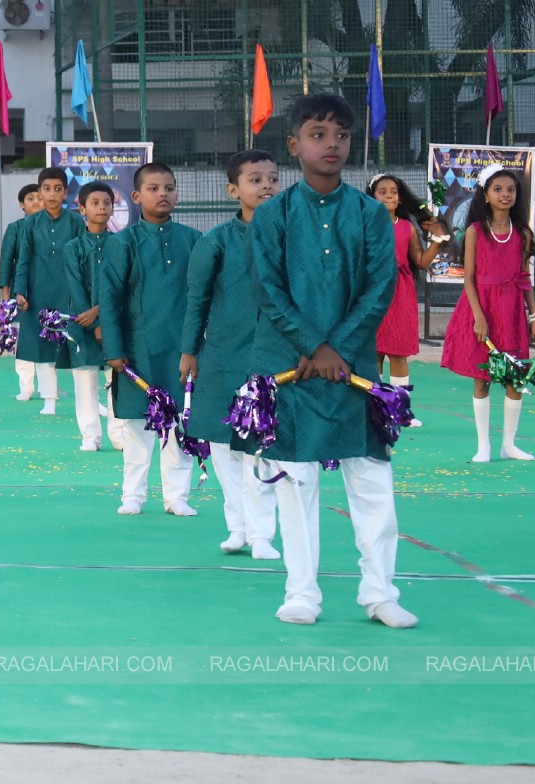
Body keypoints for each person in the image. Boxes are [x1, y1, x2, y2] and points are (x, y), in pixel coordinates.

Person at [247, 93, 413, 628]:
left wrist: (338, 348)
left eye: (341, 135)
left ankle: (380, 593)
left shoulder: (369, 213)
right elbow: (268, 290)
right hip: (291, 372)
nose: (332, 144)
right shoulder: (272, 215)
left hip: (355, 373)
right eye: (318, 134)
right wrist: (311, 347)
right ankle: (302, 593)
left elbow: (379, 284)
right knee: (296, 483)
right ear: (294, 145)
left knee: (373, 485)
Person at [180, 149, 281, 560]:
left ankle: (262, 536)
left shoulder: (292, 236)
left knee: (263, 450)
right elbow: (196, 299)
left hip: (274, 360)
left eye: (273, 179)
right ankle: (237, 528)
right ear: (233, 189)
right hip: (221, 356)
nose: (266, 187)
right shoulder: (216, 241)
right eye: (255, 180)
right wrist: (190, 351)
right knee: (224, 448)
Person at [100, 161, 200, 517]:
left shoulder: (193, 240)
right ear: (137, 196)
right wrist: (114, 349)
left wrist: (199, 346)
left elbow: (204, 296)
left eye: (169, 188)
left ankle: (177, 497)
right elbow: (109, 300)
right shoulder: (122, 243)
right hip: (136, 350)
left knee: (180, 425)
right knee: (137, 427)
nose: (163, 194)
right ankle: (134, 495)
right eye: (154, 189)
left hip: (183, 350)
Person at [440, 165, 535, 463]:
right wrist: (479, 317)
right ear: (486, 196)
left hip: (511, 312)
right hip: (482, 308)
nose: (505, 194)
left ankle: (508, 444)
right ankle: (483, 445)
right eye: (498, 189)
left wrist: (534, 317)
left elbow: (525, 279)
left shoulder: (521, 233)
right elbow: (469, 278)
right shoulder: (475, 232)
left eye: (510, 190)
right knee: (482, 377)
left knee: (514, 379)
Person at [9, 167, 86, 417]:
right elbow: (23, 260)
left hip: (70, 292)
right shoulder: (30, 224)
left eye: (57, 189)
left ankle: (90, 402)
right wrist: (19, 291)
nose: (52, 194)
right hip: (38, 292)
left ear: (65, 193)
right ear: (39, 193)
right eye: (46, 189)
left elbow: (83, 259)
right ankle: (49, 399)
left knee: (76, 346)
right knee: (42, 348)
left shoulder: (76, 221)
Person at [367, 174, 435, 427]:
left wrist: (438, 241)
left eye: (393, 192)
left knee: (398, 353)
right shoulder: (364, 224)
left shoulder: (407, 227)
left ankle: (400, 412)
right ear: (372, 197)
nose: (388, 196)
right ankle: (373, 410)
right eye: (382, 192)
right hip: (373, 293)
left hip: (401, 294)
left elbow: (421, 261)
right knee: (372, 353)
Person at [61, 180, 114, 450]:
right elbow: (75, 285)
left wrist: (101, 315)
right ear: (82, 208)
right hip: (81, 323)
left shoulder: (121, 244)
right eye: (95, 203)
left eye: (106, 203)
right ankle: (90, 436)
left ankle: (119, 434)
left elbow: (121, 287)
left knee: (116, 379)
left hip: (113, 321)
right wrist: (90, 319)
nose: (101, 208)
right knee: (85, 379)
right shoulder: (73, 247)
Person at [0, 184, 41, 401]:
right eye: (30, 198)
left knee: (47, 337)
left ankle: (48, 387)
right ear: (21, 205)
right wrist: (6, 297)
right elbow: (6, 262)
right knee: (22, 339)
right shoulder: (15, 228)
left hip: (47, 290)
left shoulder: (52, 228)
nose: (36, 201)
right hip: (20, 293)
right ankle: (26, 386)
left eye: (39, 197)